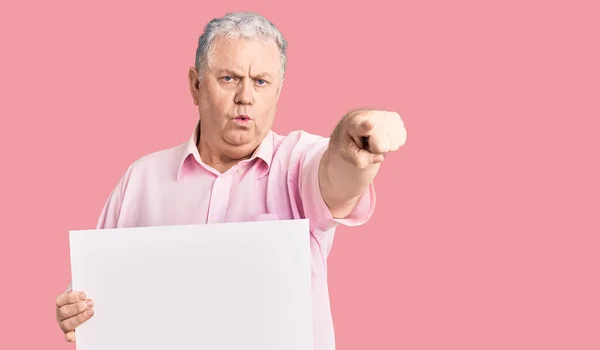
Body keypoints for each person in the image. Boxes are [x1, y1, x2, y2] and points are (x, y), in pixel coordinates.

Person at [54, 11, 407, 350]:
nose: (245, 96)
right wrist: (74, 310)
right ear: (195, 85)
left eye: (261, 81)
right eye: (229, 78)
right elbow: (92, 290)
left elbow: (339, 178)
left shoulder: (299, 162)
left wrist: (354, 142)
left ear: (278, 92)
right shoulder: (141, 178)